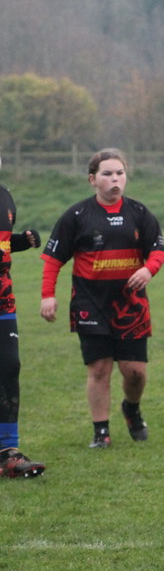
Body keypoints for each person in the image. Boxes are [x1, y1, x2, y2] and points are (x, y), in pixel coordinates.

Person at [40, 148, 164, 448]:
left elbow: (158, 251)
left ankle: (131, 408)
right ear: (92, 179)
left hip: (131, 305)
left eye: (120, 173)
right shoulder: (76, 215)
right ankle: (101, 432)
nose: (115, 179)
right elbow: (53, 259)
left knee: (134, 372)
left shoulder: (139, 213)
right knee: (99, 368)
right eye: (107, 174)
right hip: (90, 303)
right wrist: (48, 296)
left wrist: (148, 270)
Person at [0, 156, 45, 476]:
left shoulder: (4, 195)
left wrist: (18, 242)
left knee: (9, 366)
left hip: (3, 299)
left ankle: (8, 451)